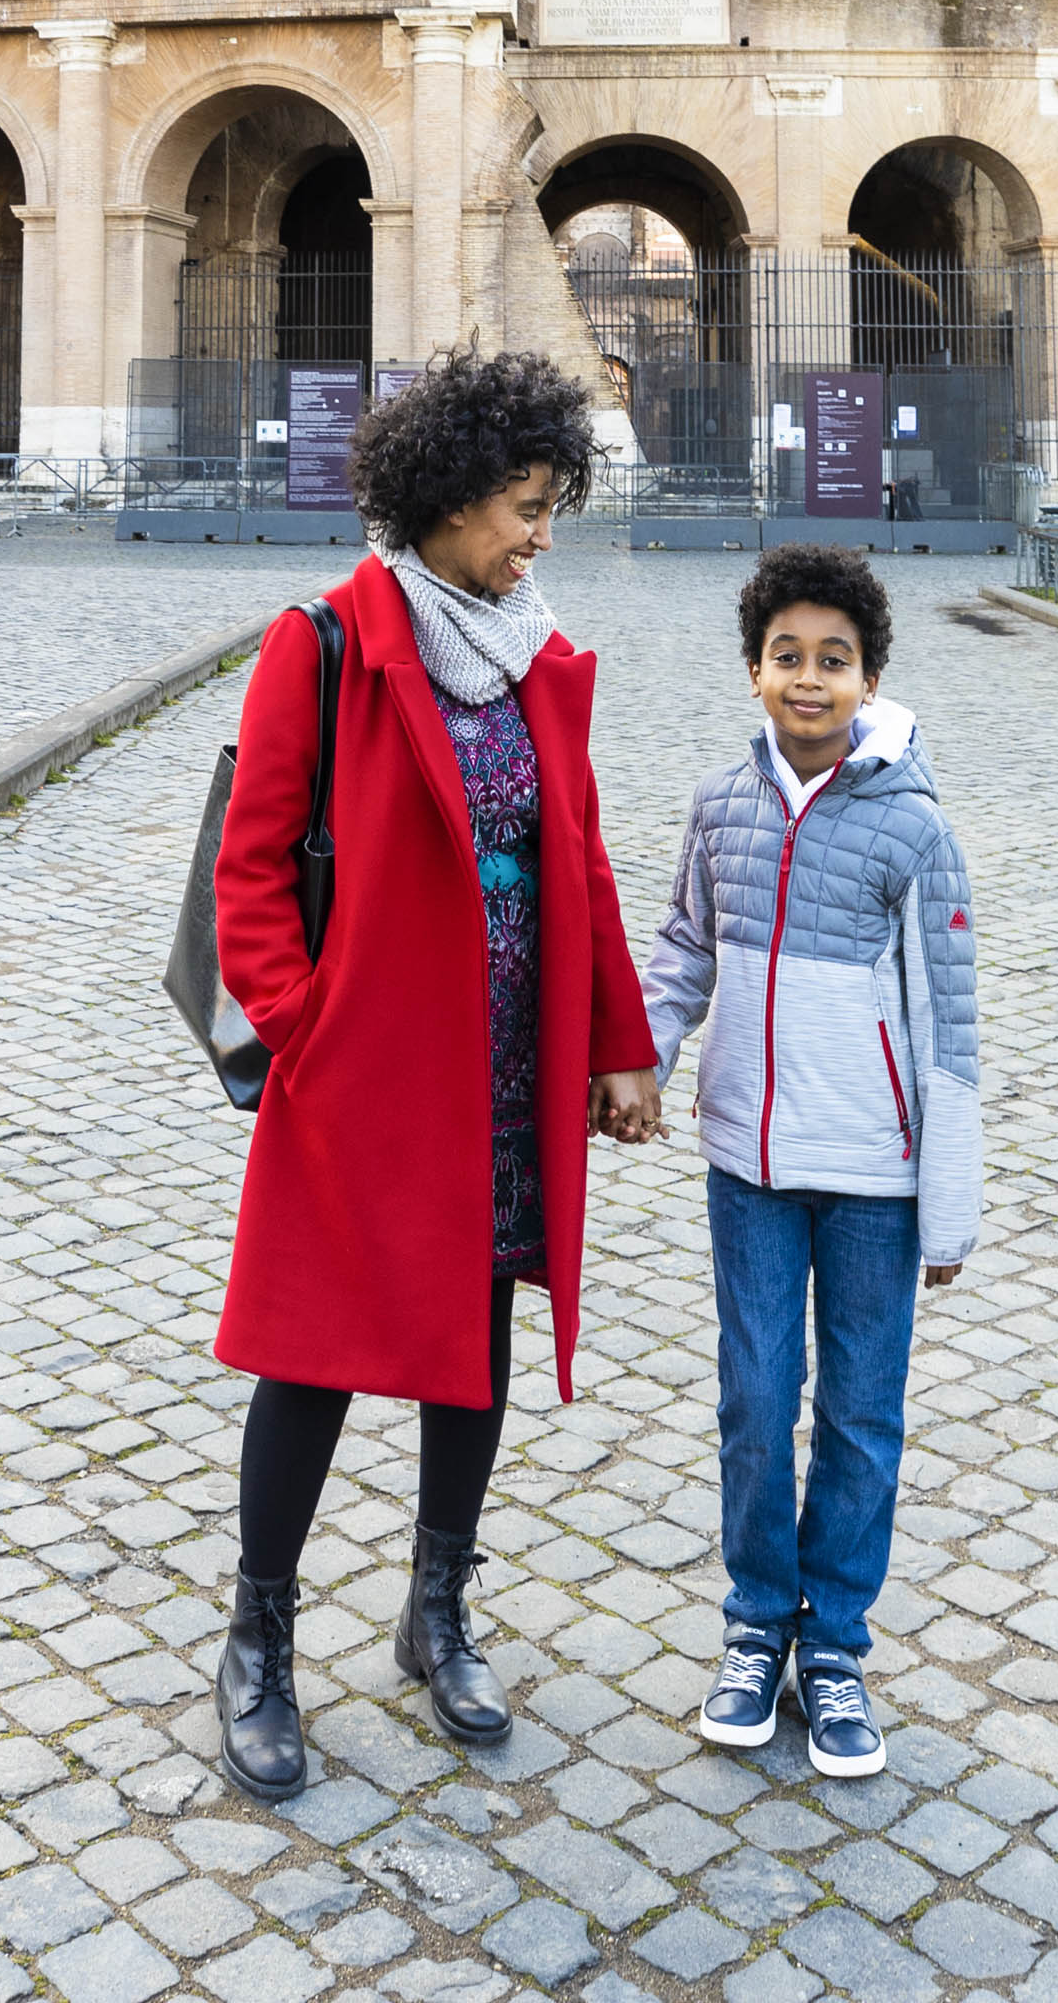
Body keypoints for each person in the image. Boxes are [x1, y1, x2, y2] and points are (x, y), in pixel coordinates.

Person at [211, 348, 662, 1800]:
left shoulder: (528, 642)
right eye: (526, 505)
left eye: (548, 506)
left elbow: (577, 857)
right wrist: (304, 1028)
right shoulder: (327, 638)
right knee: (314, 1355)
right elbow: (252, 866)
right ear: (453, 497)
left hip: (509, 1061)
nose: (542, 534)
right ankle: (259, 1640)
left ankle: (437, 1608)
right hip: (368, 1070)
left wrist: (615, 1041)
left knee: (471, 1339)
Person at [642, 545, 979, 1783]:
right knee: (751, 1397)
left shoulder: (915, 829)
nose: (810, 678)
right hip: (750, 1163)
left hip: (878, 1178)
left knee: (859, 1414)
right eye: (788, 656)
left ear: (871, 678)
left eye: (834, 660)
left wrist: (948, 1200)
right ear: (752, 671)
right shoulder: (720, 806)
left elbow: (951, 1020)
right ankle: (752, 1628)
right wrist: (644, 1056)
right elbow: (685, 943)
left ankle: (833, 1645)